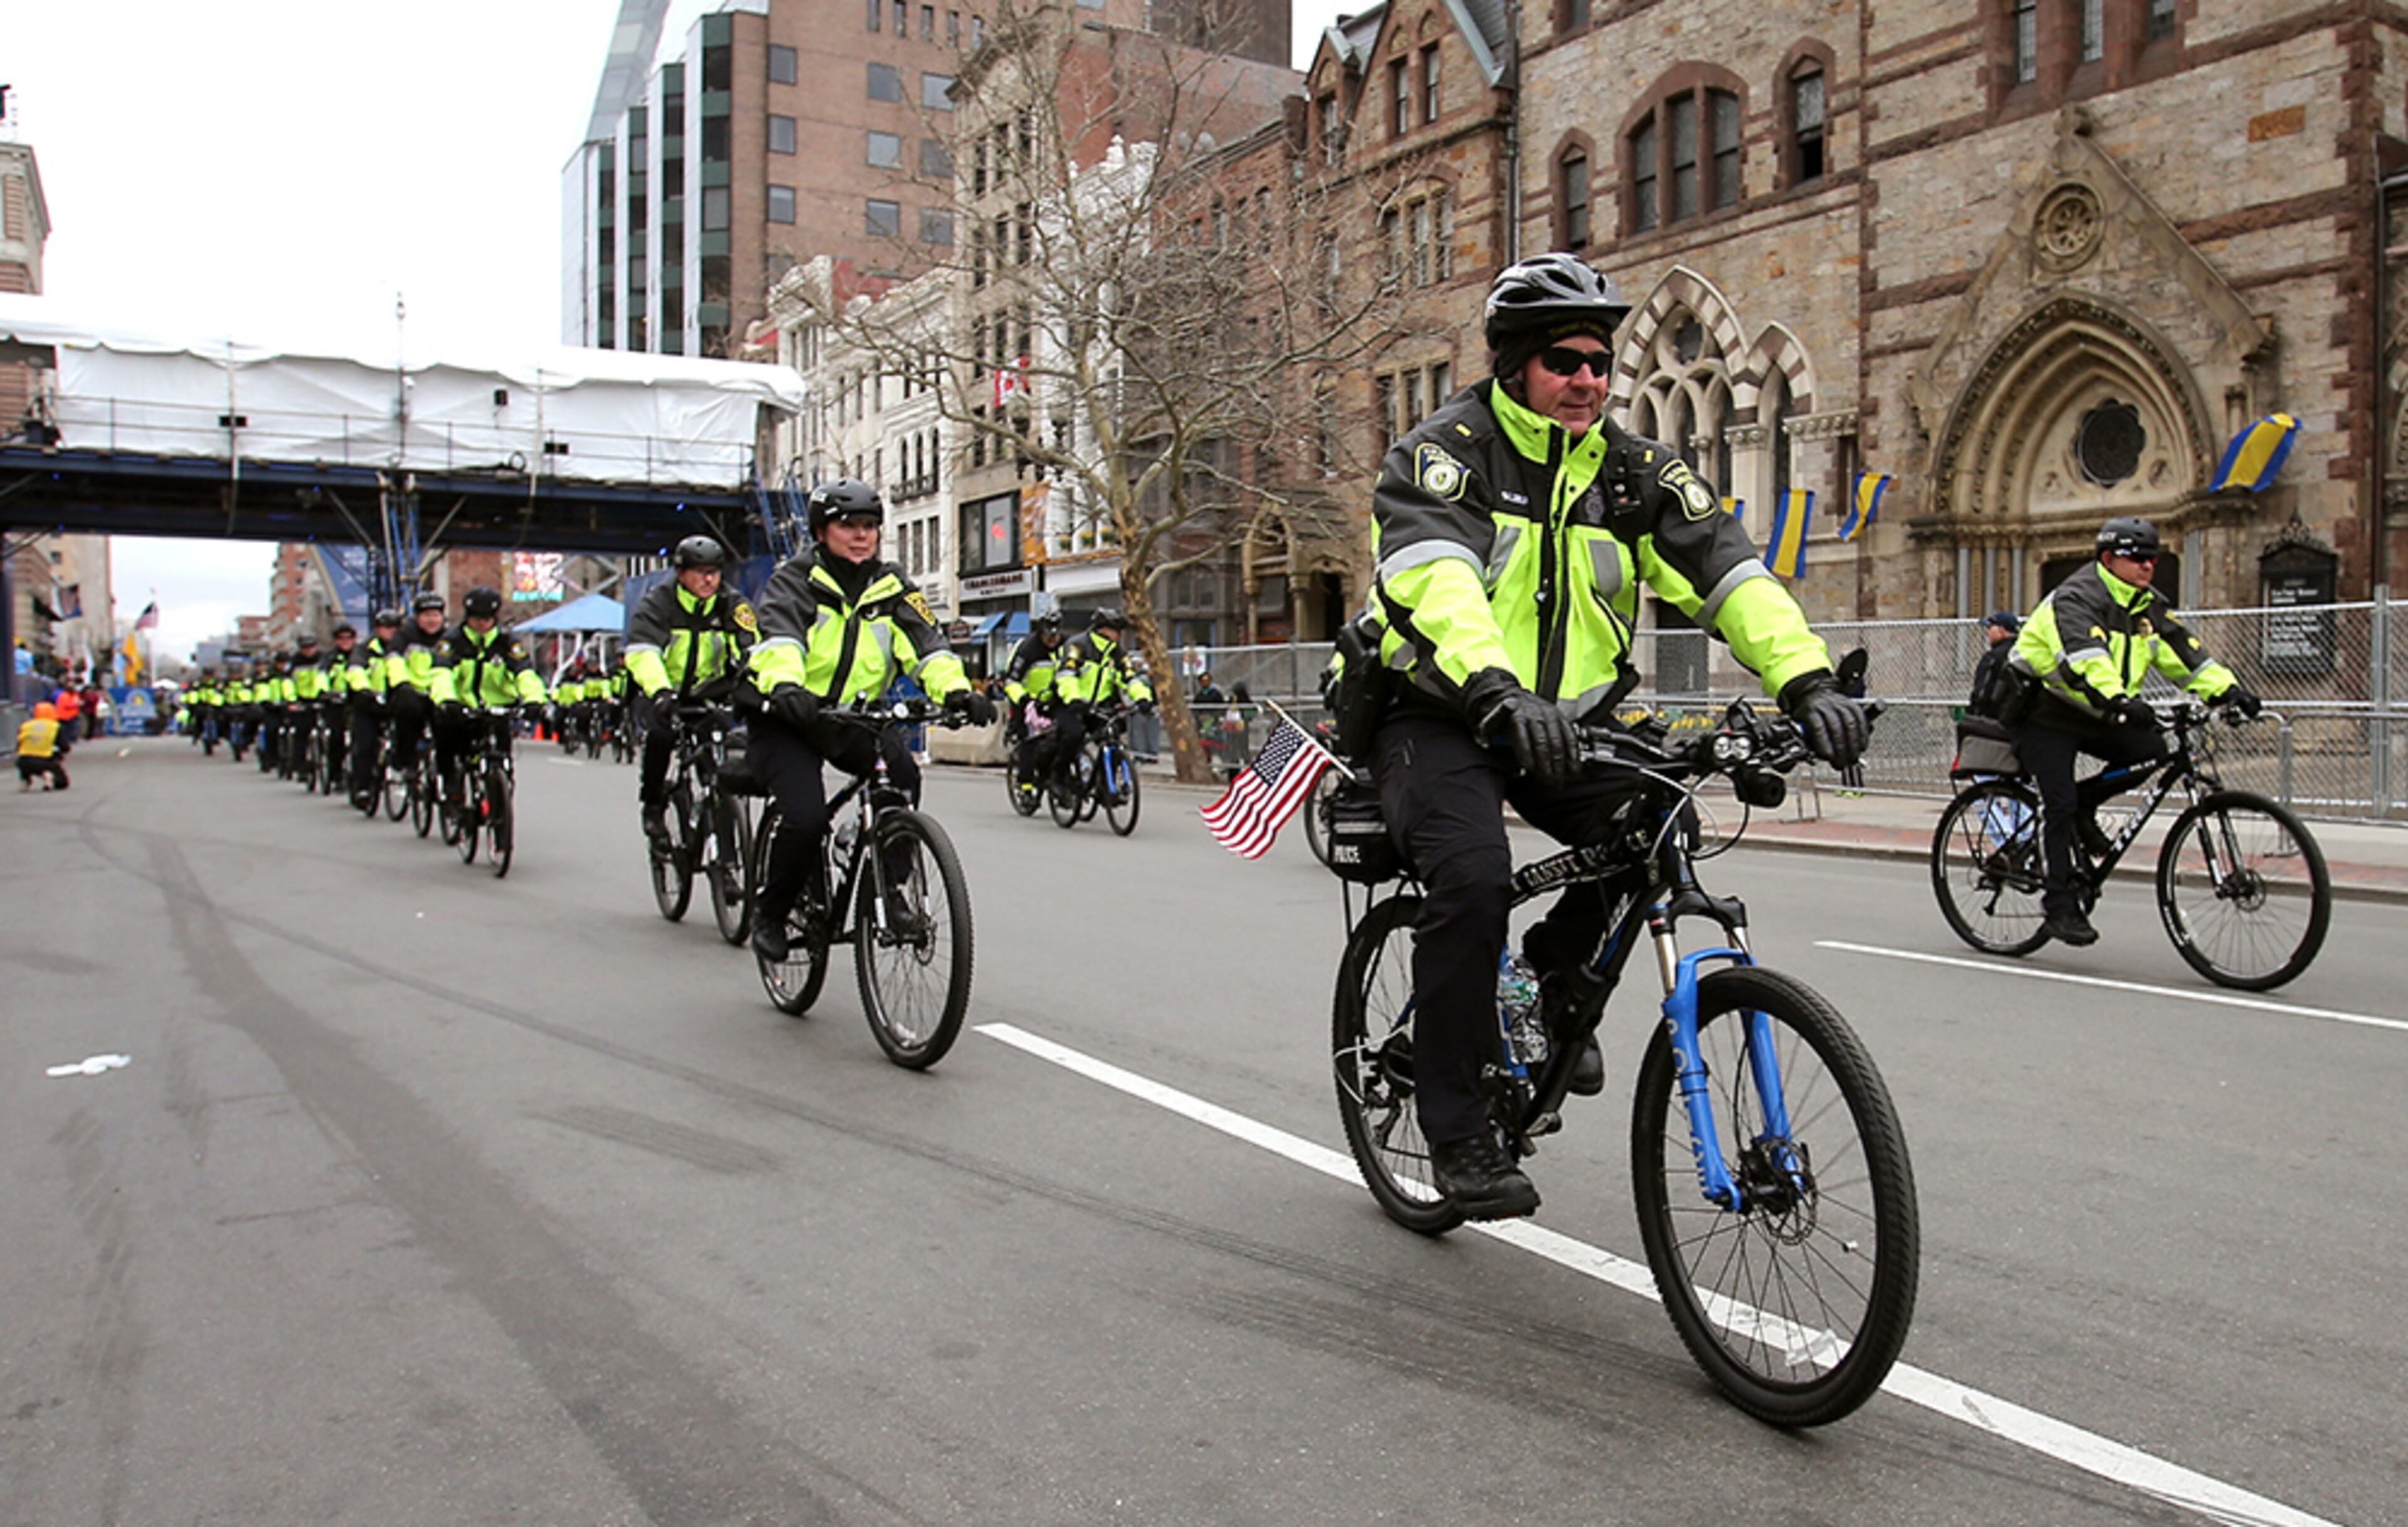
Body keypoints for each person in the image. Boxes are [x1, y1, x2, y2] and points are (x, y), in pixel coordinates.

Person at [1360, 251, 1867, 1220]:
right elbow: (1438, 582)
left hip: (1570, 719)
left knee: (1656, 815)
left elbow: (1730, 572)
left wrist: (1804, 677)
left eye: (1599, 360)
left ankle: (1551, 987)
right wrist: (1499, 690)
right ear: (1515, 366)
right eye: (1564, 360)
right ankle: (1457, 1127)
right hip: (1440, 707)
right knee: (1471, 877)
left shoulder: (1636, 474)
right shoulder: (1445, 452)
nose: (1588, 377)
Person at [741, 478, 993, 962]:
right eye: (847, 525)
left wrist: (958, 692)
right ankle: (770, 913)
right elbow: (780, 642)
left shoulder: (893, 586)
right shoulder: (796, 579)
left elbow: (927, 646)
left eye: (870, 526)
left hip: (851, 717)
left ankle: (892, 888)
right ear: (821, 531)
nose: (861, 535)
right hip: (789, 715)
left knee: (902, 775)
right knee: (807, 817)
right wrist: (788, 687)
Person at [2007, 516, 2258, 948]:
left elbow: (2187, 656)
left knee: (2153, 750)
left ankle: (2088, 804)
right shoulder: (2076, 596)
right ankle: (2058, 904)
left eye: (2152, 557)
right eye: (2137, 557)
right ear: (2108, 559)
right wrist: (2119, 699)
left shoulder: (2148, 606)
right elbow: (2088, 656)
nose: (2147, 566)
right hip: (2044, 709)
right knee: (2059, 800)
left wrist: (2230, 691)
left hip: (2096, 708)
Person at [624, 534, 759, 844]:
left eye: (714, 571)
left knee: (722, 763)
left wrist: (750, 682)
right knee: (661, 737)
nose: (709, 579)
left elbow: (753, 648)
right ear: (681, 573)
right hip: (664, 693)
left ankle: (724, 839)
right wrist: (660, 691)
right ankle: (653, 804)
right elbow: (643, 652)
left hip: (709, 695)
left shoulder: (733, 605)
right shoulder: (659, 603)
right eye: (700, 572)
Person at [429, 586, 547, 808]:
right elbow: (441, 674)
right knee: (448, 740)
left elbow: (524, 673)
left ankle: (500, 802)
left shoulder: (507, 642)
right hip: (462, 707)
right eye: (476, 619)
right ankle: (451, 786)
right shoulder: (452, 641)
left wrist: (535, 700)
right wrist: (447, 700)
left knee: (502, 758)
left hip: (497, 708)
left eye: (487, 619)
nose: (482, 624)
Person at [1043, 608, 1154, 792]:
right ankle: (1059, 776)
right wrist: (1073, 699)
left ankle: (1105, 783)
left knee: (1112, 736)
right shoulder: (1077, 646)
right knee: (1074, 735)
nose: (1119, 635)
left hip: (1098, 707)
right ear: (1103, 630)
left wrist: (1143, 698)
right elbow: (1066, 676)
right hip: (1069, 704)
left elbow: (1130, 678)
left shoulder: (1117, 654)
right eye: (1116, 630)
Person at [1000, 609, 1067, 806]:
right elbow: (1011, 680)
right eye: (1048, 636)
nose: (1052, 640)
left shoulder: (1067, 646)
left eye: (1056, 636)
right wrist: (1023, 699)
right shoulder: (1028, 649)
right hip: (1029, 703)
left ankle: (1059, 778)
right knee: (1029, 743)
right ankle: (1026, 787)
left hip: (1055, 701)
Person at [385, 593, 450, 789]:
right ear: (418, 618)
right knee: (408, 714)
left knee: (450, 726)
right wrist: (402, 683)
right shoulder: (405, 636)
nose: (432, 620)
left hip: (438, 692)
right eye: (427, 616)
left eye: (436, 615)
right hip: (411, 691)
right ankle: (407, 761)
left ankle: (448, 776)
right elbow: (394, 660)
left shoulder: (449, 638)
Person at [346, 610, 402, 807]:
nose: (392, 632)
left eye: (396, 628)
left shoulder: (403, 648)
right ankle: (363, 787)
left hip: (395, 704)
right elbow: (356, 671)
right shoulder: (364, 650)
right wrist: (364, 690)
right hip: (369, 706)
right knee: (365, 746)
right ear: (378, 629)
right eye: (387, 628)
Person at [1967, 610, 2021, 716]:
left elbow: (1982, 692)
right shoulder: (2023, 653)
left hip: (1992, 717)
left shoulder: (1993, 658)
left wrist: (1974, 713)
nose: (1988, 632)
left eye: (1990, 628)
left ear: (2001, 630)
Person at [16, 700, 69, 790]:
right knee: (62, 783)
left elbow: (19, 744)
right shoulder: (55, 726)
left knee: (27, 762)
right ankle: (47, 774)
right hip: (45, 760)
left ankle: (25, 779)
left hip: (23, 760)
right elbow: (64, 746)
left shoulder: (26, 726)